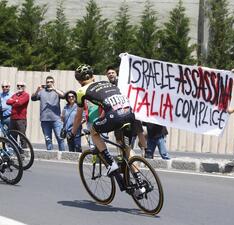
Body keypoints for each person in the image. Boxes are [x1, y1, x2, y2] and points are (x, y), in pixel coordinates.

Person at [69, 64, 145, 197]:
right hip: (129, 114)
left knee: (93, 131)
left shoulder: (81, 91)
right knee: (127, 149)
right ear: (93, 76)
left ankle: (111, 163)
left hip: (114, 116)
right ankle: (141, 182)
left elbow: (78, 115)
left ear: (79, 81)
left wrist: (73, 133)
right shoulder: (107, 83)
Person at [106, 66, 148, 155]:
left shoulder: (123, 83)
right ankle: (122, 156)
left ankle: (144, 152)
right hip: (117, 116)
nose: (111, 75)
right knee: (119, 138)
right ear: (107, 75)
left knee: (137, 133)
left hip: (130, 113)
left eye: (112, 73)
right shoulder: (107, 87)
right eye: (109, 73)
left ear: (116, 74)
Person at [31, 76, 65, 151]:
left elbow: (64, 96)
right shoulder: (41, 91)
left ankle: (62, 154)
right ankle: (50, 154)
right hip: (44, 120)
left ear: (53, 83)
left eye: (51, 82)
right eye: (48, 82)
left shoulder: (56, 91)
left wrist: (54, 89)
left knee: (60, 138)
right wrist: (37, 90)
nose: (49, 83)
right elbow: (33, 98)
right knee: (48, 139)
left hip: (56, 119)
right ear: (46, 83)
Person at [6, 82, 30, 148]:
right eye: (18, 86)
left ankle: (24, 151)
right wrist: (16, 100)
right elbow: (7, 102)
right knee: (12, 136)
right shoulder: (15, 95)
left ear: (24, 87)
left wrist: (14, 101)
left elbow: (20, 103)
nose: (19, 87)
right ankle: (14, 151)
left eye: (21, 85)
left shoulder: (26, 95)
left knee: (22, 136)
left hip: (21, 119)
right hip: (12, 118)